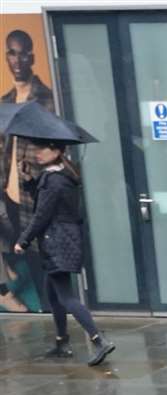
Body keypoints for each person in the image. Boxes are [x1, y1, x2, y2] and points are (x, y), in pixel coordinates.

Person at [13, 140, 113, 366]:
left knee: (66, 296)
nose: (37, 153)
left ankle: (99, 340)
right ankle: (62, 342)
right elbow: (48, 204)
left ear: (57, 151)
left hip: (57, 242)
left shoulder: (54, 180)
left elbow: (42, 215)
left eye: (42, 149)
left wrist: (24, 241)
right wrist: (29, 180)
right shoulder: (61, 175)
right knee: (53, 294)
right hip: (64, 240)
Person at [2, 28, 54, 313]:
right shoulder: (6, 102)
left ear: (32, 56)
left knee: (43, 255)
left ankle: (52, 311)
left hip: (35, 192)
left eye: (23, 53)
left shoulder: (45, 98)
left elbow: (56, 147)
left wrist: (34, 165)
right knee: (30, 256)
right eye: (12, 53)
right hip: (10, 195)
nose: (18, 60)